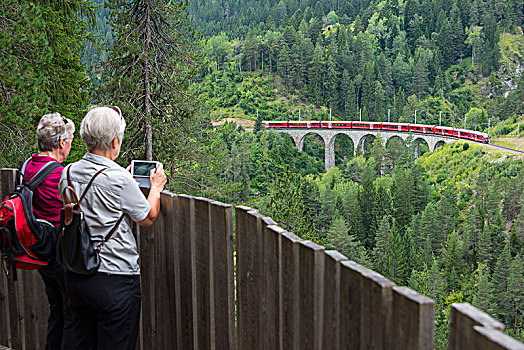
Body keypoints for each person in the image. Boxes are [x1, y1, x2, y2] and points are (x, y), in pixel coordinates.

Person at [59, 106, 166, 349]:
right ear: (115, 140)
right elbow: (148, 217)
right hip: (115, 279)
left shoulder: (67, 173)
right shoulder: (118, 178)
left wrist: (124, 180)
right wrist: (156, 188)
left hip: (76, 274)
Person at [23, 112, 76, 349]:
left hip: (40, 250)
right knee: (73, 316)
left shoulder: (29, 166)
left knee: (57, 312)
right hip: (60, 253)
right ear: (61, 143)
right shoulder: (58, 174)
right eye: (70, 140)